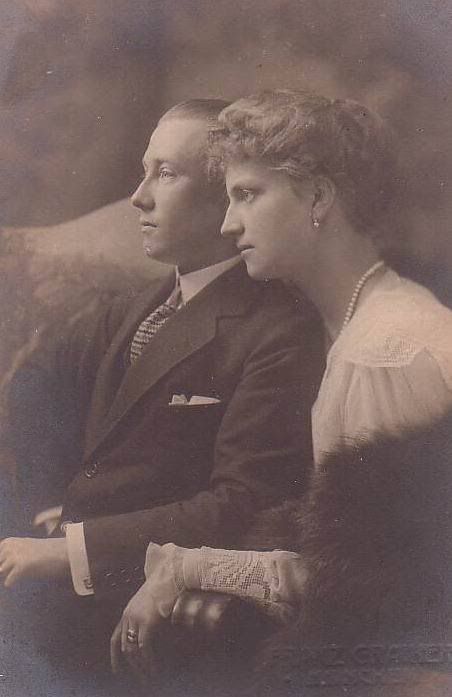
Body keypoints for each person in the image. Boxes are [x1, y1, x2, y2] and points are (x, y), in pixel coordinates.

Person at [111, 89, 452, 688]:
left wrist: (184, 570)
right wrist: (182, 567)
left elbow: (379, 602)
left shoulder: (386, 353)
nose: (227, 223)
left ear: (318, 197)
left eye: (248, 194)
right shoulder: (361, 325)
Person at [0, 98, 323, 688]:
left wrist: (72, 549)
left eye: (166, 174)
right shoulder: (137, 307)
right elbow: (41, 401)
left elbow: (244, 502)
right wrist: (53, 510)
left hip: (144, 610)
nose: (138, 197)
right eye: (143, 171)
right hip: (65, 580)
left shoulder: (278, 330)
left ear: (227, 198)